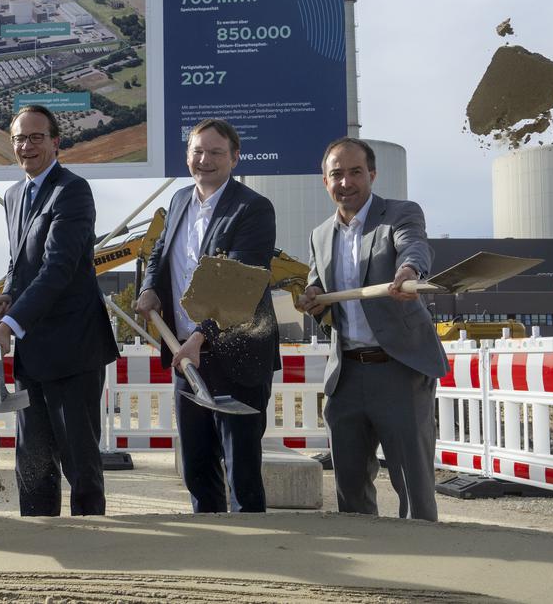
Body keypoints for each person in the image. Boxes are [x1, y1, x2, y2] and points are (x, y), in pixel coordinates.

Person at [298, 137, 447, 520]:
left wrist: (409, 271)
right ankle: (368, 553)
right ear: (325, 181)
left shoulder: (398, 215)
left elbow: (414, 247)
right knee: (350, 490)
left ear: (372, 175)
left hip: (398, 370)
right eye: (336, 174)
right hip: (345, 376)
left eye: (355, 172)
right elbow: (318, 286)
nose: (346, 182)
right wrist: (312, 295)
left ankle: (424, 553)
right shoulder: (319, 235)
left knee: (413, 486)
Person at [0, 105, 118, 516]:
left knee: (80, 460)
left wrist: (10, 323)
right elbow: (19, 261)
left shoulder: (72, 191)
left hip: (73, 349)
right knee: (33, 458)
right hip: (33, 351)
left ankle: (92, 533)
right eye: (20, 138)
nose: (27, 146)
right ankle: (38, 532)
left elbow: (58, 268)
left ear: (56, 142)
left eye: (37, 137)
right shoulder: (13, 195)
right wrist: (8, 293)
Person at [135, 118, 277, 513]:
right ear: (187, 156)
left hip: (235, 357)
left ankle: (254, 542)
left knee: (241, 470)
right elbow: (159, 252)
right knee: (197, 468)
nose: (205, 160)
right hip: (186, 356)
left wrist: (200, 337)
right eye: (198, 151)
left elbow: (238, 283)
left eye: (216, 152)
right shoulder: (180, 200)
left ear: (234, 158)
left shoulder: (252, 209)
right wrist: (149, 287)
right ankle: (210, 536)